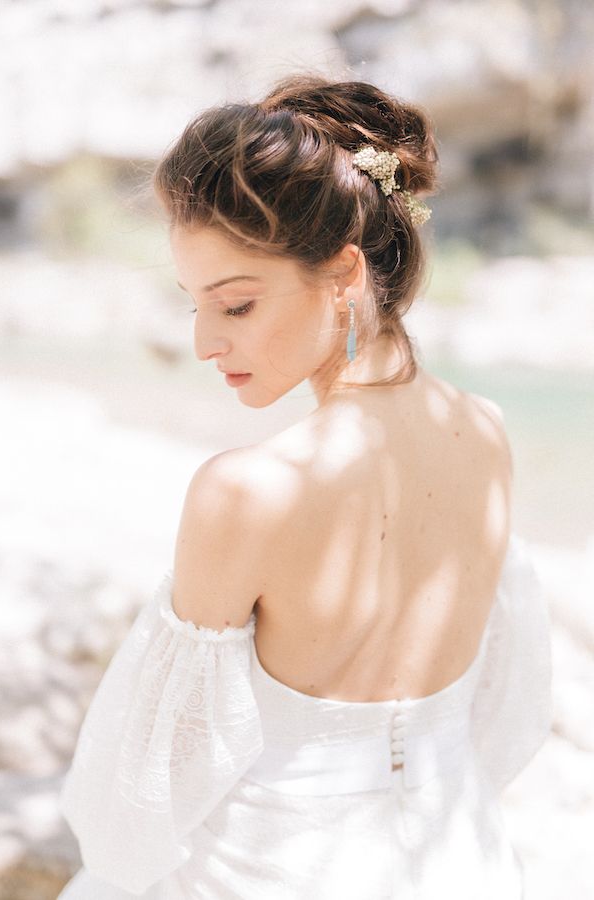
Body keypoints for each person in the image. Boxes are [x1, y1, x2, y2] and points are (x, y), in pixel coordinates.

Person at [57, 72, 553, 899]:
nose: (206, 343)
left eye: (238, 305)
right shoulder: (489, 432)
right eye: (195, 307)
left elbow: (139, 801)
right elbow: (505, 711)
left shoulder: (247, 491)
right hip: (459, 858)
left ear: (345, 276)